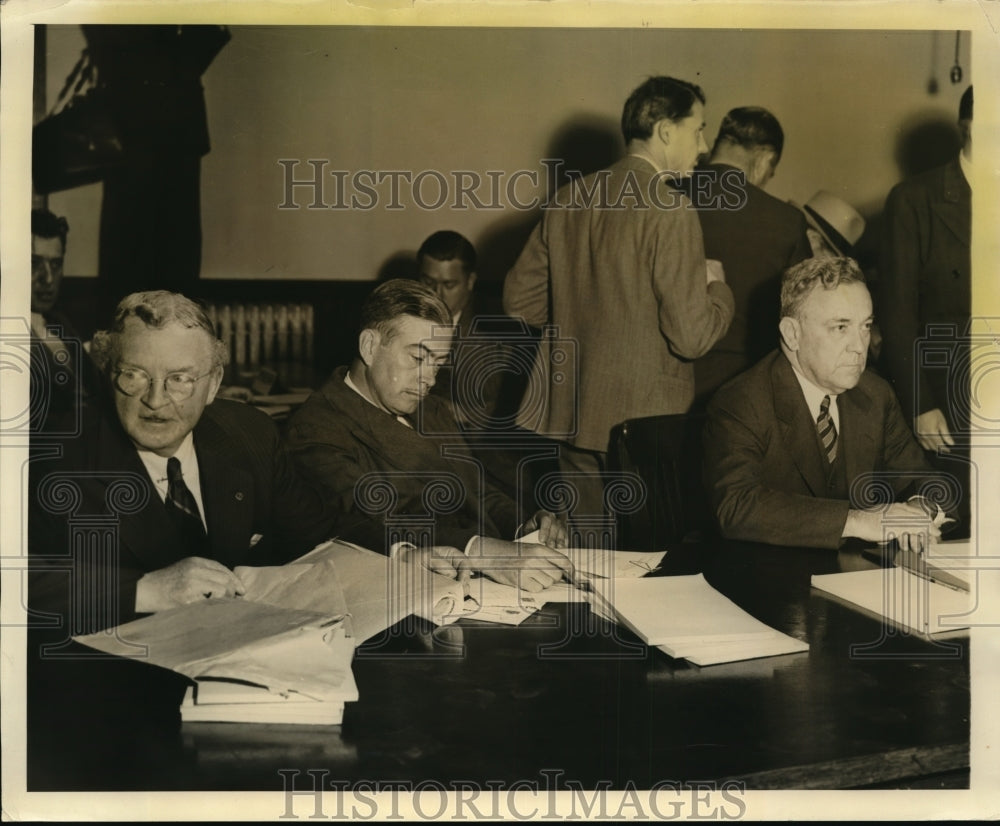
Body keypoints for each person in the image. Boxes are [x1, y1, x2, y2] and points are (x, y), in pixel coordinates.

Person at [28, 290, 341, 635]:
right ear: (108, 374)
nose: (155, 400)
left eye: (179, 379)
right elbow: (21, 582)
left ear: (213, 385)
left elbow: (320, 538)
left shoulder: (251, 434)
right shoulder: (58, 458)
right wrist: (144, 590)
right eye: (134, 375)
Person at [503, 76, 734, 520]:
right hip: (646, 427)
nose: (704, 146)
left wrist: (584, 305)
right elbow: (691, 338)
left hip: (571, 412)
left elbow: (518, 303)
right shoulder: (672, 209)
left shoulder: (569, 198)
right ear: (666, 131)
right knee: (646, 565)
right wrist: (718, 290)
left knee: (587, 558)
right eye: (698, 129)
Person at [285, 279, 574, 593]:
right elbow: (370, 523)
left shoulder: (432, 410)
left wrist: (523, 525)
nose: (429, 380)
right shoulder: (316, 426)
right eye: (418, 359)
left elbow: (477, 491)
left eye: (437, 364)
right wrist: (487, 552)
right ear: (369, 346)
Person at [703, 257, 947, 550]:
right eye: (840, 327)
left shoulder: (875, 394)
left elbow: (929, 481)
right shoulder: (741, 401)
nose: (860, 346)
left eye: (866, 326)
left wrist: (919, 510)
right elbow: (737, 507)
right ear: (792, 334)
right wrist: (857, 521)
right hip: (768, 577)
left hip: (851, 581)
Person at [879, 85, 972, 533]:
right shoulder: (915, 199)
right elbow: (897, 312)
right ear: (967, 126)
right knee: (960, 522)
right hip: (949, 400)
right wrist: (919, 403)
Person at [685, 107, 812, 404]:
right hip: (741, 391)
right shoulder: (786, 221)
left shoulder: (663, 197)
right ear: (766, 159)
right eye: (770, 173)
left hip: (663, 383)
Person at [29, 208, 103, 435]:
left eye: (55, 265)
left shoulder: (59, 322)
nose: (48, 279)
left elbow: (95, 389)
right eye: (34, 263)